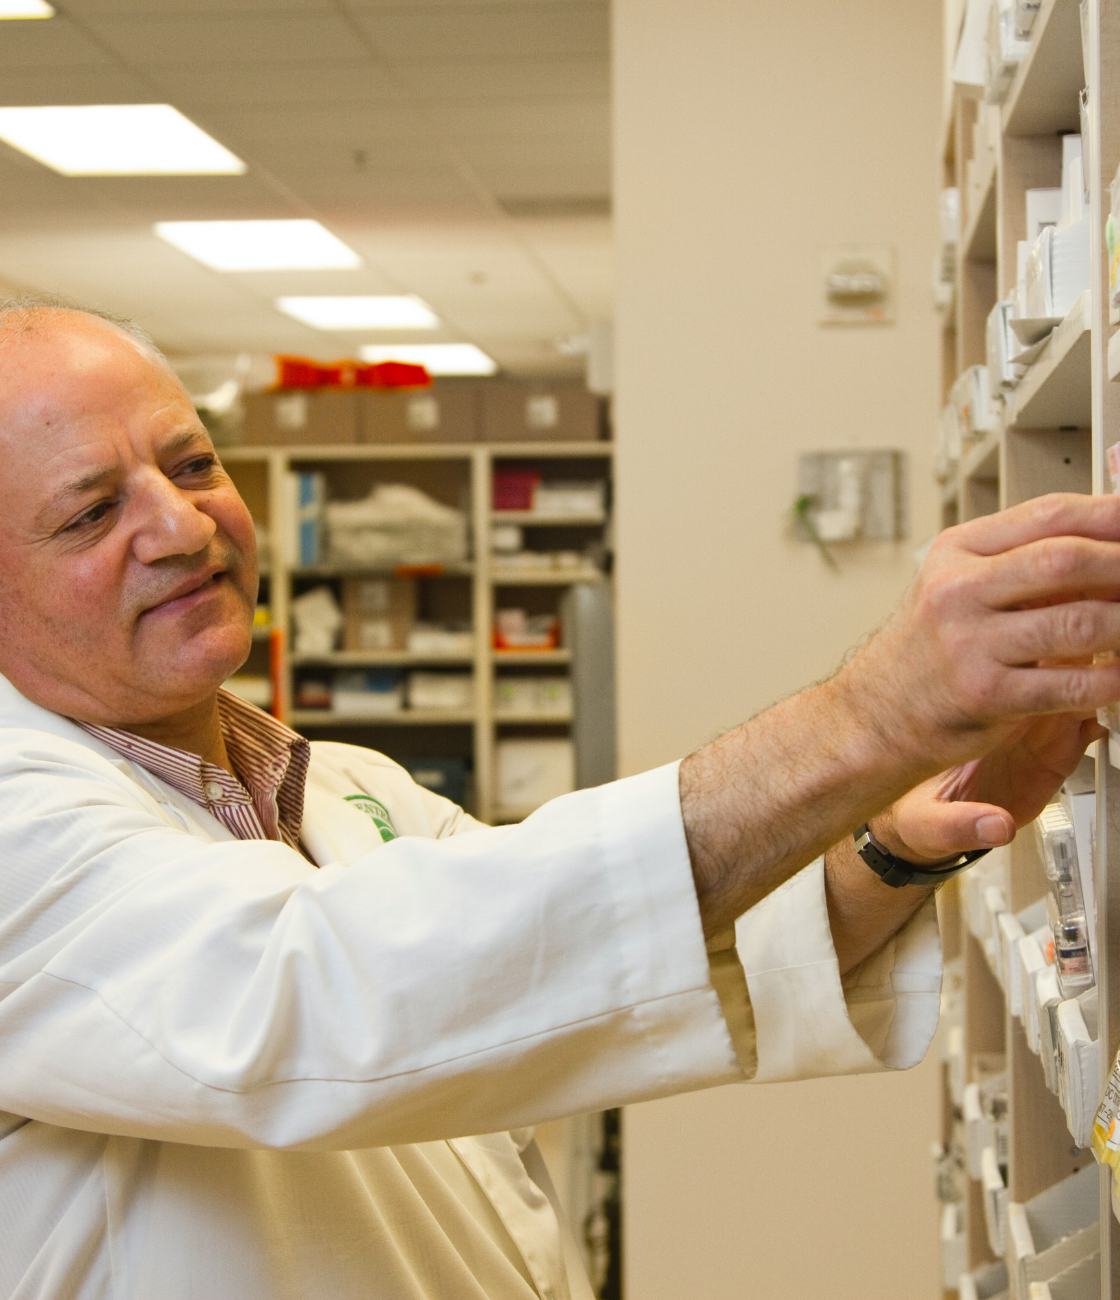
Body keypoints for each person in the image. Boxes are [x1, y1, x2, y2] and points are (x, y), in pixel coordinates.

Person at [0, 295, 1115, 1300]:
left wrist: (884, 854)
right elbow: (318, 1001)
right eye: (92, 513)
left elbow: (562, 972)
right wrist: (868, 720)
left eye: (193, 464)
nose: (184, 526)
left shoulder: (342, 789)